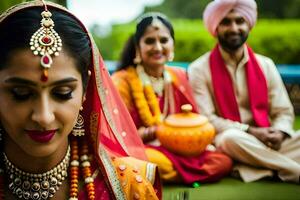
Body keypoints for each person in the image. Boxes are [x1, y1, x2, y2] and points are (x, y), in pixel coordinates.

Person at [0, 1, 161, 199]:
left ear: (85, 89)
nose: (43, 117)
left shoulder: (127, 186)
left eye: (63, 93)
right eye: (20, 94)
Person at [111, 12, 232, 185]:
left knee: (223, 161)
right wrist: (156, 131)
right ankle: (174, 173)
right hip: (145, 148)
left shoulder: (178, 76)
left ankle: (159, 175)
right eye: (150, 41)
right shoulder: (122, 81)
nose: (158, 47)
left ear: (172, 45)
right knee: (146, 161)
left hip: (180, 148)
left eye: (164, 40)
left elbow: (193, 121)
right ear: (138, 47)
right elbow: (119, 136)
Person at [188, 0, 300, 183]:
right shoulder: (199, 69)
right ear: (215, 27)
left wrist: (279, 132)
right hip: (233, 142)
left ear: (248, 24)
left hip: (266, 142)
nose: (234, 28)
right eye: (226, 22)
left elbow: (283, 111)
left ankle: (261, 168)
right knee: (229, 139)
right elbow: (207, 119)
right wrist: (251, 131)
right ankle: (293, 170)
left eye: (239, 21)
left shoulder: (266, 65)